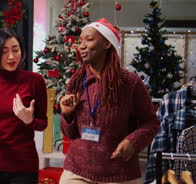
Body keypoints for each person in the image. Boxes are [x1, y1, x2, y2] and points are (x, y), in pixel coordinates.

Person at [59, 18, 160, 184]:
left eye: (89, 40)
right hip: (77, 171)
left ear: (107, 44)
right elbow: (69, 134)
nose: (81, 46)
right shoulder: (77, 82)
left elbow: (151, 122)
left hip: (118, 173)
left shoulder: (130, 83)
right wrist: (67, 114)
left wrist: (132, 141)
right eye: (81, 41)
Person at [0, 28, 47, 184]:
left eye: (15, 50)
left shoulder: (35, 81)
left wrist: (29, 120)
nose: (11, 57)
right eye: (4, 52)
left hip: (24, 164)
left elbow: (42, 123)